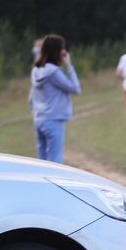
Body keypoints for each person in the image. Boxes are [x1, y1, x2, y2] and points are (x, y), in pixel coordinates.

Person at [29, 35, 81, 163]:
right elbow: (76, 89)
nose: (64, 52)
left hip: (39, 119)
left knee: (41, 161)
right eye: (62, 48)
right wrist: (70, 66)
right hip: (53, 120)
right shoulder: (54, 72)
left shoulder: (36, 70)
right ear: (56, 51)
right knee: (55, 163)